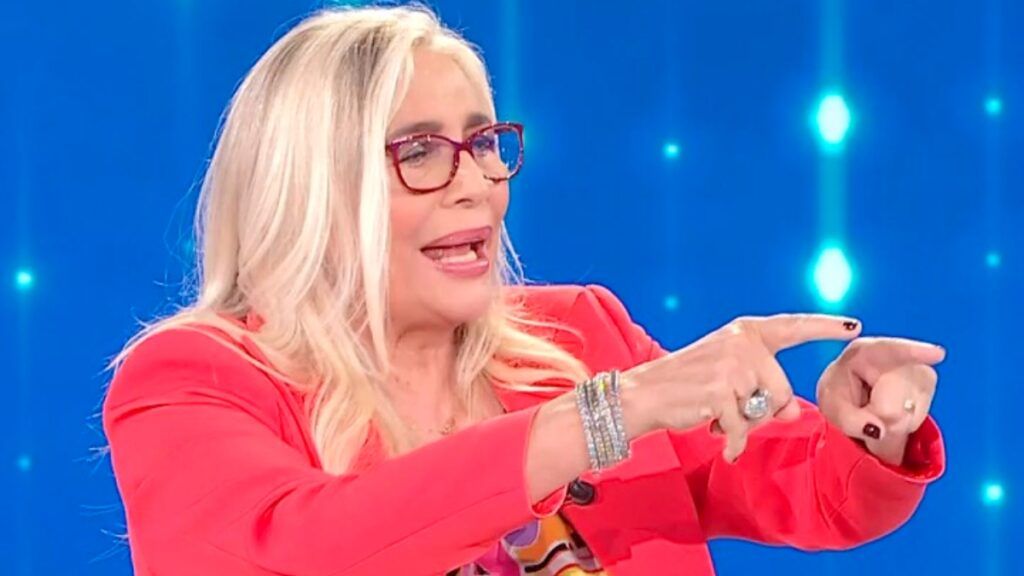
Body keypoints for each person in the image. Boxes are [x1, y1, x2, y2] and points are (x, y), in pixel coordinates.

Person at [102, 6, 946, 575]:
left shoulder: (578, 335)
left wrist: (864, 429)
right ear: (311, 188)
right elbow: (292, 550)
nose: (477, 184)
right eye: (419, 152)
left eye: (483, 143)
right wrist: (607, 415)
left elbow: (814, 492)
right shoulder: (193, 378)